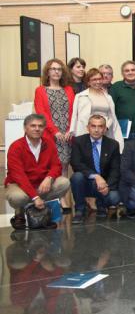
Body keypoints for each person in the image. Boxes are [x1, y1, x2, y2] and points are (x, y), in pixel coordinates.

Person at [5, 114, 71, 230]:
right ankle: (20, 212)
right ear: (25, 128)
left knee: (64, 182)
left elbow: (56, 165)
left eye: (40, 126)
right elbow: (19, 176)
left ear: (44, 129)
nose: (37, 128)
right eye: (33, 126)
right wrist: (35, 197)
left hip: (41, 183)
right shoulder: (16, 147)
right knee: (17, 197)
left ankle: (41, 209)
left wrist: (49, 178)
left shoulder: (49, 143)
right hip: (19, 184)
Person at [33, 59, 75, 211]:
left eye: (59, 69)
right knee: (53, 166)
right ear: (48, 72)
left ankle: (63, 198)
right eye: (53, 69)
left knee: (64, 166)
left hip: (67, 134)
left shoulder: (69, 90)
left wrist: (70, 129)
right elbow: (41, 113)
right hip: (51, 134)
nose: (56, 72)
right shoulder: (40, 90)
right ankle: (56, 199)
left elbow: (73, 112)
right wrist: (55, 131)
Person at [70, 115, 121, 223]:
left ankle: (101, 204)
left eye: (100, 126)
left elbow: (115, 169)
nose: (97, 130)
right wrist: (96, 176)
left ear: (105, 129)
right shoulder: (78, 141)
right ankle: (80, 209)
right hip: (86, 182)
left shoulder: (113, 144)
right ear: (87, 127)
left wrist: (107, 186)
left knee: (114, 198)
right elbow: (76, 164)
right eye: (93, 126)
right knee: (76, 176)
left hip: (105, 184)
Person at [70, 68, 124, 151]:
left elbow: (111, 116)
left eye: (99, 79)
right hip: (86, 132)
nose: (98, 82)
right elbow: (75, 116)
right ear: (88, 82)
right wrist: (72, 131)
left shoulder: (108, 97)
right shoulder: (80, 96)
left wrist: (106, 127)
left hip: (105, 132)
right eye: (94, 79)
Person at [110, 60, 135, 139]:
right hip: (121, 130)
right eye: (127, 71)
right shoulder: (116, 87)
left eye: (133, 70)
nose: (130, 72)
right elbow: (111, 109)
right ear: (122, 73)